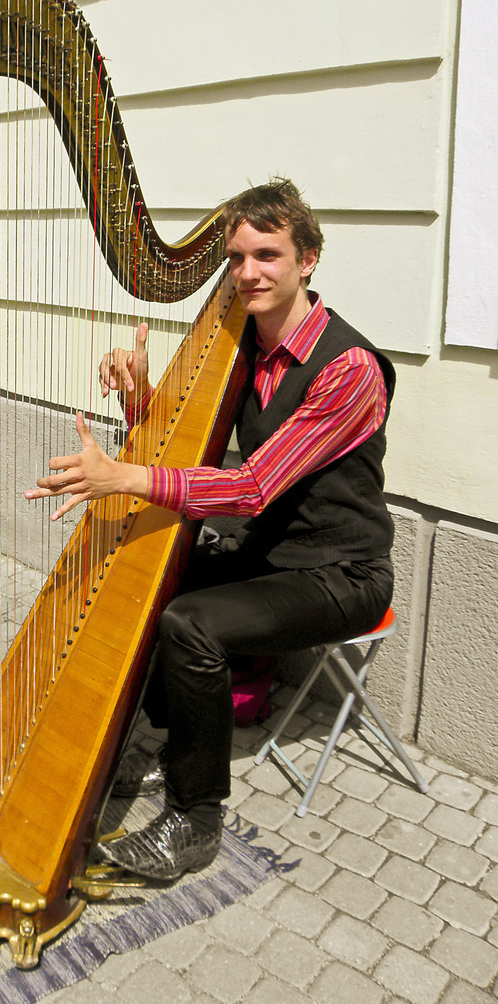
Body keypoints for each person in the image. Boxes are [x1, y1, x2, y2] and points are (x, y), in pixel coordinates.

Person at [24, 178, 395, 880]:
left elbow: (251, 488)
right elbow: (181, 451)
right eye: (236, 258)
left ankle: (195, 821)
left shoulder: (348, 369)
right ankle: (159, 736)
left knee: (191, 622)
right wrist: (139, 392)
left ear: (308, 259)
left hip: (341, 574)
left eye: (269, 255)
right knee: (150, 570)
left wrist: (124, 478)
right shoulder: (241, 347)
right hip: (273, 556)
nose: (248, 272)